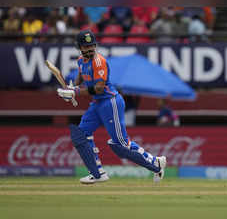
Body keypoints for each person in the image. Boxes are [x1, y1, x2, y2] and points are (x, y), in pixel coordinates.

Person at [57, 30, 166, 184]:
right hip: (97, 103)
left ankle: (156, 163)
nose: (89, 49)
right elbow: (80, 79)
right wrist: (70, 89)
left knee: (120, 144)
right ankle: (97, 173)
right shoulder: (81, 61)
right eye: (85, 46)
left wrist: (75, 91)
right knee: (81, 134)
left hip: (110, 102)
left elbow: (100, 88)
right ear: (79, 48)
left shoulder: (99, 61)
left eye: (91, 46)